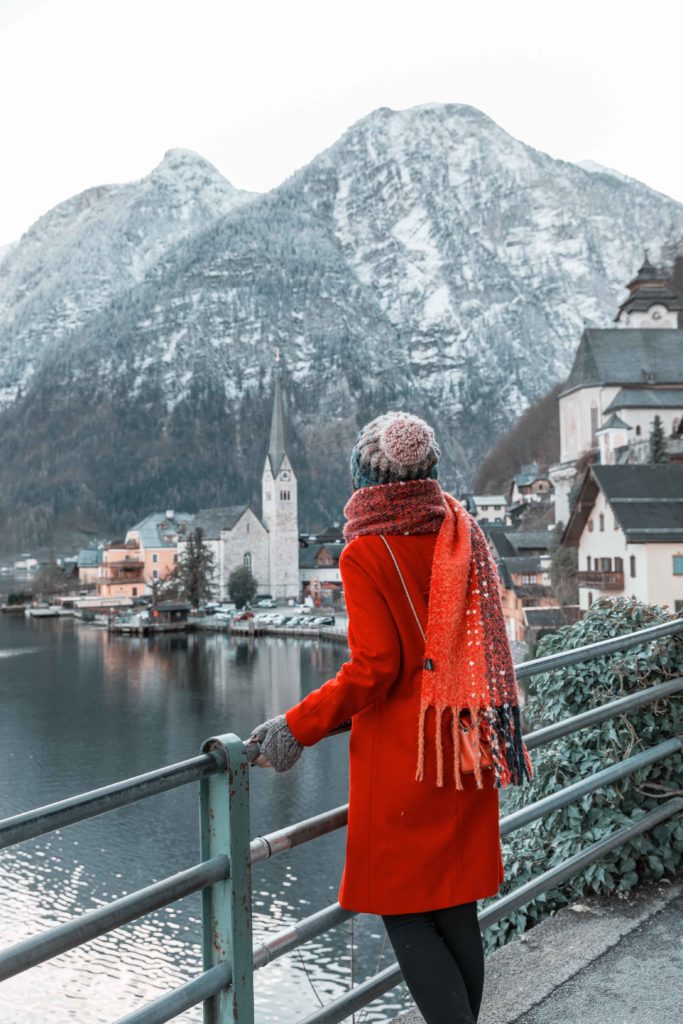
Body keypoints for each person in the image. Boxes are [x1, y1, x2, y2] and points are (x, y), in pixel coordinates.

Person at [248, 411, 533, 1024]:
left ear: (365, 476)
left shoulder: (365, 552)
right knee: (455, 909)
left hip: (409, 762)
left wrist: (296, 727)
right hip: (466, 743)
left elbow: (375, 667)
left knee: (404, 910)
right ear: (428, 472)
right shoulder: (461, 531)